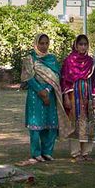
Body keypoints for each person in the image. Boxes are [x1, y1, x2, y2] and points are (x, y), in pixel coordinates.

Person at [20, 33, 62, 164]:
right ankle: (36, 153)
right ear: (36, 43)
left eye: (46, 43)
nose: (44, 46)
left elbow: (56, 76)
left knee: (50, 125)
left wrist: (48, 90)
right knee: (36, 125)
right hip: (35, 95)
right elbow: (28, 78)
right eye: (41, 43)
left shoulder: (52, 59)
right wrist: (40, 91)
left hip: (50, 93)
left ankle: (47, 152)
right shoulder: (29, 59)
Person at [61, 34, 95, 161]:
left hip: (87, 96)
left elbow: (93, 81)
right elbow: (64, 81)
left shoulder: (90, 61)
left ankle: (86, 152)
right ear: (76, 45)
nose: (83, 47)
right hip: (74, 96)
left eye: (85, 44)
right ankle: (76, 153)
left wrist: (94, 98)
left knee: (88, 123)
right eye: (80, 44)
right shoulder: (69, 61)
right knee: (75, 123)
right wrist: (66, 98)